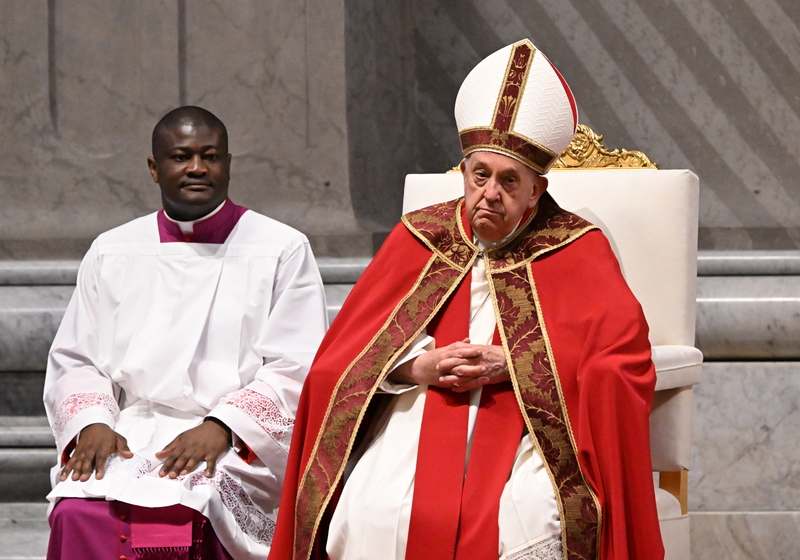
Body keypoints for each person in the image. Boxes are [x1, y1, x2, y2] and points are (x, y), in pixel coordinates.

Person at [270, 39, 664, 560]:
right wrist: (415, 366)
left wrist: (521, 363)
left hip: (532, 427)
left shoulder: (578, 246)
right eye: (480, 175)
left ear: (537, 190)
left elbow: (622, 363)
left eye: (509, 181)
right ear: (463, 171)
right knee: (375, 511)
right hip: (417, 407)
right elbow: (336, 362)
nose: (490, 193)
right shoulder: (421, 234)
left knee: (525, 515)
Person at [43, 106, 328, 560]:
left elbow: (298, 366)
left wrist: (224, 427)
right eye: (181, 156)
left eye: (210, 156)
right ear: (155, 168)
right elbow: (77, 359)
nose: (197, 167)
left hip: (235, 438)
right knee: (78, 508)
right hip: (129, 428)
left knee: (195, 502)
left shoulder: (280, 248)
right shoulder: (113, 250)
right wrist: (91, 422)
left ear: (228, 164)